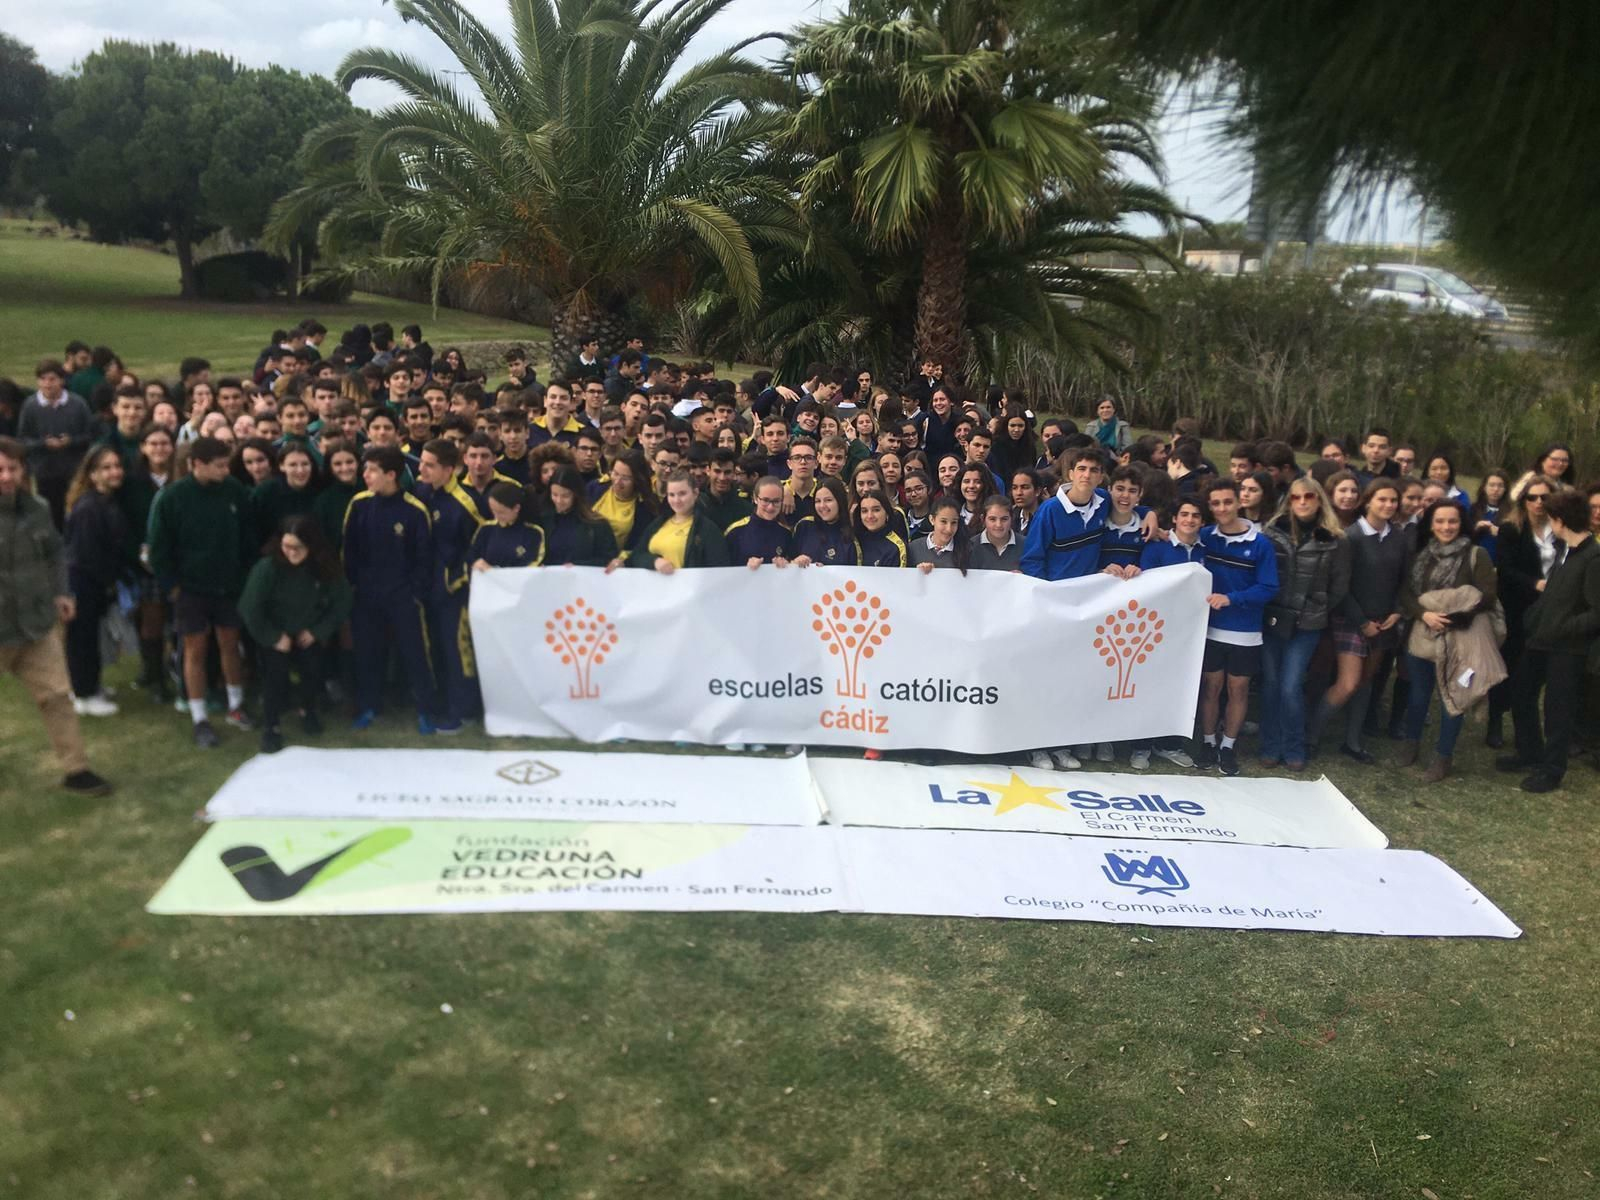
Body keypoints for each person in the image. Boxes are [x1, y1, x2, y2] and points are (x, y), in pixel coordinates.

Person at [0, 438, 112, 794]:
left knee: (58, 696)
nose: (6, 476)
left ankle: (76, 770)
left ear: (23, 471)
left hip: (35, 624)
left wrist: (62, 592)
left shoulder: (37, 508)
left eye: (12, 469)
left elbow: (56, 553)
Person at [147, 436, 253, 748]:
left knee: (230, 644)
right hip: (190, 589)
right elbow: (159, 549)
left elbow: (247, 536)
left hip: (229, 586)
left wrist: (242, 575)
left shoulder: (234, 491)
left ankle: (236, 705)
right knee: (194, 650)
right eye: (219, 466)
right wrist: (173, 587)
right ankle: (199, 717)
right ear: (197, 465)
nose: (225, 471)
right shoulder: (173, 498)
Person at [1498, 490, 1600, 792]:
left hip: (1568, 648)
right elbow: (1554, 594)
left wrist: (1563, 627)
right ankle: (1529, 752)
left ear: (1559, 520)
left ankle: (1552, 769)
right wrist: (1536, 617)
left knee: (1558, 709)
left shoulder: (1593, 558)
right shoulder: (1563, 550)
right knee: (1521, 692)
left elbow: (1597, 612)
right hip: (1540, 640)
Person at [1395, 500, 1500, 783]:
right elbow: (1405, 592)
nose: (1446, 527)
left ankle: (1443, 756)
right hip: (1423, 634)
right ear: (1431, 524)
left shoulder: (1476, 555)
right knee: (1418, 694)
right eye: (1439, 521)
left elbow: (1487, 595)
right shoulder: (1421, 555)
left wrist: (1453, 615)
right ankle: (1411, 742)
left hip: (1460, 637)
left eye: (1452, 521)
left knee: (1451, 698)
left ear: (1461, 523)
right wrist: (1424, 613)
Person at [343, 446, 445, 734]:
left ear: (391, 474)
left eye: (372, 470)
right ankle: (369, 706)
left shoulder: (414, 510)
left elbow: (424, 558)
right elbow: (349, 552)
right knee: (368, 653)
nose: (365, 475)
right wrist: (357, 585)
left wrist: (414, 593)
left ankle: (425, 709)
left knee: (415, 654)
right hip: (366, 596)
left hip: (403, 598)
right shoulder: (359, 505)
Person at [1308, 479, 1409, 763]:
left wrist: (1397, 612)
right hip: (1351, 619)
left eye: (1393, 501)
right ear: (1368, 501)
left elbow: (1405, 580)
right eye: (1382, 500)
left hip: (1384, 621)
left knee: (1366, 682)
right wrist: (1361, 621)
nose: (1388, 505)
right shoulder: (1350, 537)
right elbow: (1340, 587)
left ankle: (1352, 742)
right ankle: (1310, 735)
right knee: (1348, 683)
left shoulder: (1400, 538)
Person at [238, 516, 353, 754]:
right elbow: (249, 608)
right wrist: (273, 637)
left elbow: (342, 602)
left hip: (307, 631)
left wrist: (317, 631)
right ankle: (272, 726)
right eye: (286, 546)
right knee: (275, 676)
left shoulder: (324, 565)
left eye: (297, 548)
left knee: (312, 670)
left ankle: (308, 710)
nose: (291, 552)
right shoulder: (267, 568)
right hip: (275, 632)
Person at [1260, 478, 1350, 771]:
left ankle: (1294, 746)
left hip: (1307, 624)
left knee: (1290, 687)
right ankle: (1271, 746)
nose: (1302, 502)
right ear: (1289, 501)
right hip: (1273, 618)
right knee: (1271, 686)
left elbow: (1339, 587)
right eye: (1296, 497)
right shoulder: (1271, 533)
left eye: (1309, 496)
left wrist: (1315, 607)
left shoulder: (1334, 539)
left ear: (1319, 500)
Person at [1194, 477, 1279, 776]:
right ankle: (1207, 742)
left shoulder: (1260, 544)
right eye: (1215, 503)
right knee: (1211, 688)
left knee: (1238, 689)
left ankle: (1228, 746)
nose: (1222, 508)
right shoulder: (1205, 536)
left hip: (1244, 630)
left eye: (1227, 501)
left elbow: (1269, 587)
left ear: (1239, 502)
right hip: (1209, 629)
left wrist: (1232, 599)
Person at [414, 438, 484, 732]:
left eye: (430, 465)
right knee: (436, 649)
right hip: (426, 589)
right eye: (422, 463)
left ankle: (463, 710)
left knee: (458, 651)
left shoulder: (465, 504)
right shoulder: (423, 492)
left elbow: (480, 544)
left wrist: (457, 580)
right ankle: (440, 703)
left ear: (449, 469)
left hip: (455, 593)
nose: (422, 469)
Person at [1489, 477, 1560, 748]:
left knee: (1534, 672)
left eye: (1544, 497)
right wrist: (1535, 583)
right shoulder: (1511, 529)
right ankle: (1495, 720)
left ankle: (1529, 729)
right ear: (1524, 500)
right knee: (1507, 665)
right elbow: (1505, 568)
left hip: (1550, 610)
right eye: (1533, 497)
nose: (1539, 502)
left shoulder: (1560, 529)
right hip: (1517, 607)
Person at [62, 446, 129, 716]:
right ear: (92, 474)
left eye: (116, 466)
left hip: (94, 580)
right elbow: (88, 554)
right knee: (83, 639)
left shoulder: (106, 500)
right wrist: (109, 581)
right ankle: (83, 695)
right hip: (84, 581)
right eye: (106, 468)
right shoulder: (89, 507)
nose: (114, 472)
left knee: (92, 637)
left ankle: (91, 685)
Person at [17, 359, 97, 527]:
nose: (47, 384)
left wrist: (71, 441)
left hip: (73, 471)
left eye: (52, 379)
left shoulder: (78, 404)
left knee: (75, 512)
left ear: (61, 380)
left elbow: (90, 436)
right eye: (43, 379)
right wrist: (43, 444)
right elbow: (23, 440)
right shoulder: (30, 407)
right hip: (44, 472)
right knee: (50, 516)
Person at [618, 470, 730, 571]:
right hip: (654, 590)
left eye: (682, 494)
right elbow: (637, 555)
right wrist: (654, 561)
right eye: (671, 495)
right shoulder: (659, 523)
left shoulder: (708, 530)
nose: (676, 500)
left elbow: (719, 571)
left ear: (695, 493)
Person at [541, 466, 619, 566]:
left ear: (576, 495)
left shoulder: (597, 524)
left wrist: (578, 565)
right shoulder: (544, 519)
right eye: (555, 495)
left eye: (565, 496)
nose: (559, 501)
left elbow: (608, 559)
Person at [470, 481, 546, 569]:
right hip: (487, 581)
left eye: (501, 512)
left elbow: (534, 564)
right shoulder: (486, 529)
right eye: (493, 511)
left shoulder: (533, 532)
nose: (496, 516)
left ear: (516, 508)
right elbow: (472, 555)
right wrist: (475, 563)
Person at [787, 478, 857, 567]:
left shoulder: (851, 537)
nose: (822, 506)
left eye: (828, 500)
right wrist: (794, 563)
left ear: (840, 501)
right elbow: (787, 562)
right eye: (818, 501)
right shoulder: (804, 526)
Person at [726, 476, 792, 566]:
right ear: (755, 498)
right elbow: (722, 567)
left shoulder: (786, 533)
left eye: (776, 501)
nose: (770, 507)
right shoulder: (736, 531)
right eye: (765, 500)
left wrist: (787, 565)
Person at [909, 497, 970, 572]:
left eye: (954, 522)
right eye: (943, 521)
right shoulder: (913, 548)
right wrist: (917, 572)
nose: (949, 529)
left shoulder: (967, 550)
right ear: (932, 519)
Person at [854, 493, 908, 567]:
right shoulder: (855, 541)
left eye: (876, 510)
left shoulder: (896, 547)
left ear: (887, 513)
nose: (870, 516)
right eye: (864, 511)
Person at [970, 495, 1022, 570]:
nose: (998, 525)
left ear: (1012, 518)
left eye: (1004, 519)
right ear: (983, 519)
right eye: (992, 519)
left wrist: (1024, 576)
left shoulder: (1025, 545)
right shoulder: (970, 546)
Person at [1470, 470, 1511, 563]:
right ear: (1484, 487)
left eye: (1500, 486)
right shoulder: (1474, 508)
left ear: (1505, 489)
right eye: (1492, 485)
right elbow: (1465, 536)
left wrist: (1501, 533)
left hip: (1501, 563)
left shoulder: (1511, 512)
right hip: (1477, 561)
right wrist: (1476, 527)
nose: (1496, 489)